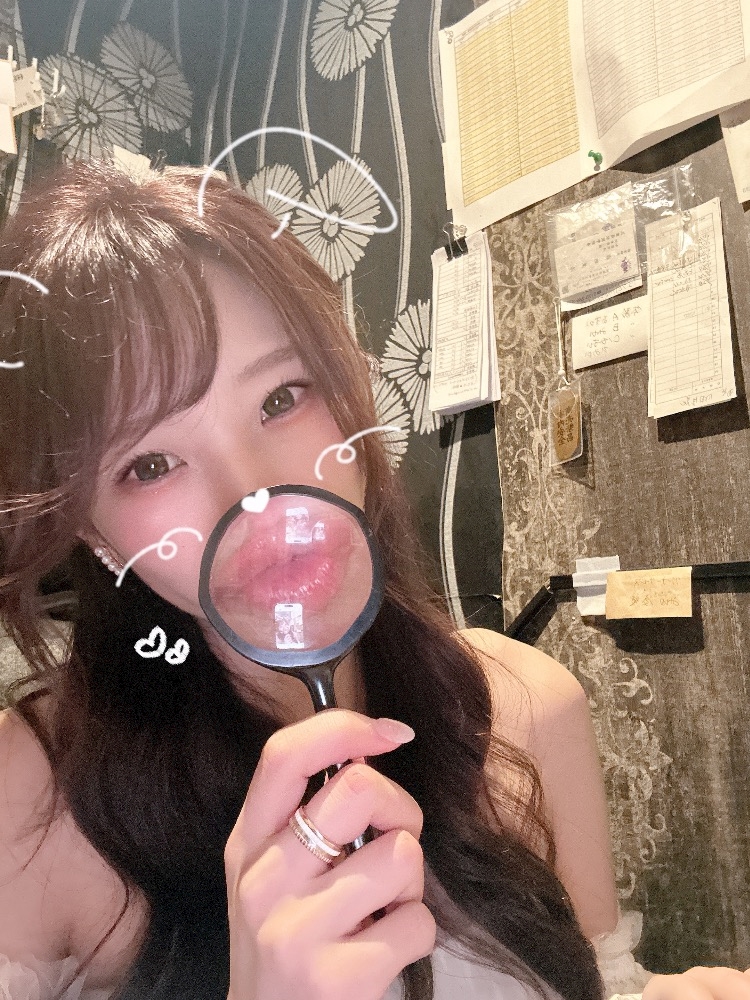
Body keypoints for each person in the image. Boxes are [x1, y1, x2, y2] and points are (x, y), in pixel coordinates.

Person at [0, 160, 747, 1000]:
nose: (257, 496)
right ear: (92, 532)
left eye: (281, 398)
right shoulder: (26, 802)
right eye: (150, 464)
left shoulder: (529, 707)